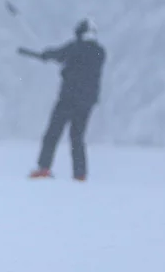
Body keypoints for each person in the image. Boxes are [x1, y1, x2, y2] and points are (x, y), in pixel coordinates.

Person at [21, 19, 106, 181]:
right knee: (77, 137)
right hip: (87, 102)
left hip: (68, 98)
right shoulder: (100, 52)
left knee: (53, 133)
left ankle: (44, 167)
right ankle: (80, 174)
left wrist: (47, 55)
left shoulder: (76, 47)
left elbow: (59, 54)